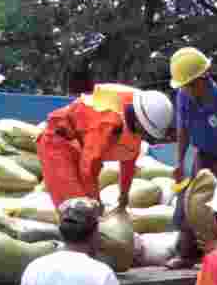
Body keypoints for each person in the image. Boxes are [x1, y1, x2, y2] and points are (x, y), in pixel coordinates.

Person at [166, 47, 217, 269]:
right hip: (203, 157)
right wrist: (179, 162)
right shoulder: (184, 96)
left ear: (200, 80)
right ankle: (186, 254)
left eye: (186, 85)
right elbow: (182, 130)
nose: (184, 89)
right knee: (189, 202)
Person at [38, 83, 173, 209]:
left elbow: (128, 162)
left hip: (80, 146)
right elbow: (89, 167)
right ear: (139, 123)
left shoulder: (135, 118)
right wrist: (96, 201)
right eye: (146, 133)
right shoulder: (107, 123)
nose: (145, 138)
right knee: (75, 209)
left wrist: (123, 196)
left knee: (85, 209)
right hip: (58, 143)